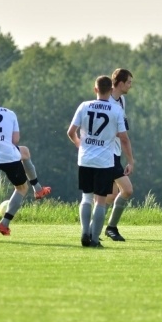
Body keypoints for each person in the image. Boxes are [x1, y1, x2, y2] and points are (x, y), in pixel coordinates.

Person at [0, 91, 52, 236]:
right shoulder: (10, 113)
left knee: (24, 152)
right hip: (7, 156)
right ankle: (4, 224)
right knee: (22, 189)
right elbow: (15, 140)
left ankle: (38, 189)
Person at [67, 75, 128, 248]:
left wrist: (81, 146)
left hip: (85, 159)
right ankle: (94, 239)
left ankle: (84, 232)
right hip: (105, 161)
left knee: (86, 197)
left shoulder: (84, 106)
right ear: (110, 90)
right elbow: (124, 138)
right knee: (100, 201)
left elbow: (71, 132)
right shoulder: (116, 110)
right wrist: (130, 160)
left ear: (95, 89)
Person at [102, 68, 135, 242]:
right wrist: (131, 160)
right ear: (120, 83)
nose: (130, 85)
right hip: (106, 155)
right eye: (129, 82)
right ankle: (110, 228)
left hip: (114, 154)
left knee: (110, 196)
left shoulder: (121, 100)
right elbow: (121, 136)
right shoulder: (107, 104)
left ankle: (98, 228)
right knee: (127, 190)